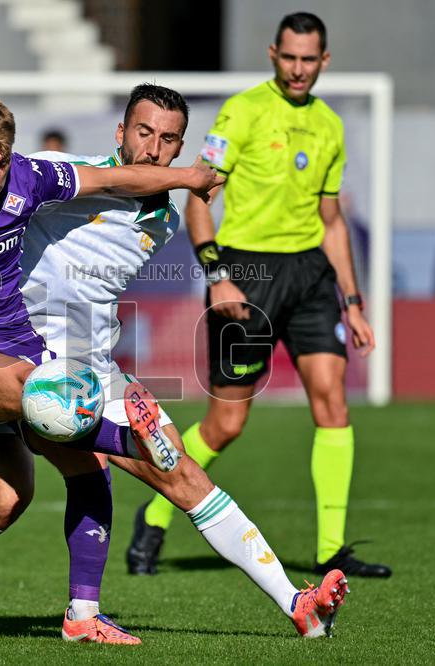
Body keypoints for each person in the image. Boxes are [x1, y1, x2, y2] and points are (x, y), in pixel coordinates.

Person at [0, 85, 351, 642]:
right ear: (120, 134)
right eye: (143, 132)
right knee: (24, 492)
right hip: (12, 358)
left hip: (92, 366)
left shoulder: (162, 218)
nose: (153, 148)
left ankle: (297, 605)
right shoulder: (66, 173)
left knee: (175, 473)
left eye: (168, 139)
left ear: (180, 145)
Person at [127, 12, 391, 580]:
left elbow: (333, 219)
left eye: (309, 59)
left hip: (312, 276)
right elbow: (200, 197)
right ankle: (153, 514)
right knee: (226, 425)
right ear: (274, 54)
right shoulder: (241, 112)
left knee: (333, 402)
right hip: (246, 274)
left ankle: (330, 551)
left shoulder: (330, 126)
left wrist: (353, 300)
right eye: (289, 57)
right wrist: (216, 273)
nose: (298, 69)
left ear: (325, 61)